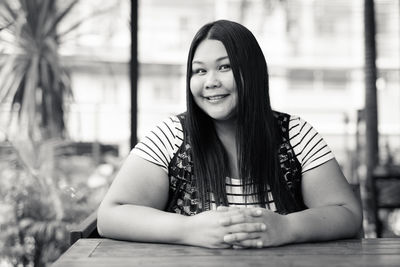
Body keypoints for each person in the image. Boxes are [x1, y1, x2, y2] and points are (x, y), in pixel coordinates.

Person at [97, 20, 362, 249]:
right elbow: (111, 215)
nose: (210, 81)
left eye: (224, 67)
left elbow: (347, 213)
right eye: (199, 70)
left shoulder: (296, 134)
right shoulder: (172, 136)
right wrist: (188, 229)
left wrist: (286, 227)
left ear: (252, 72)